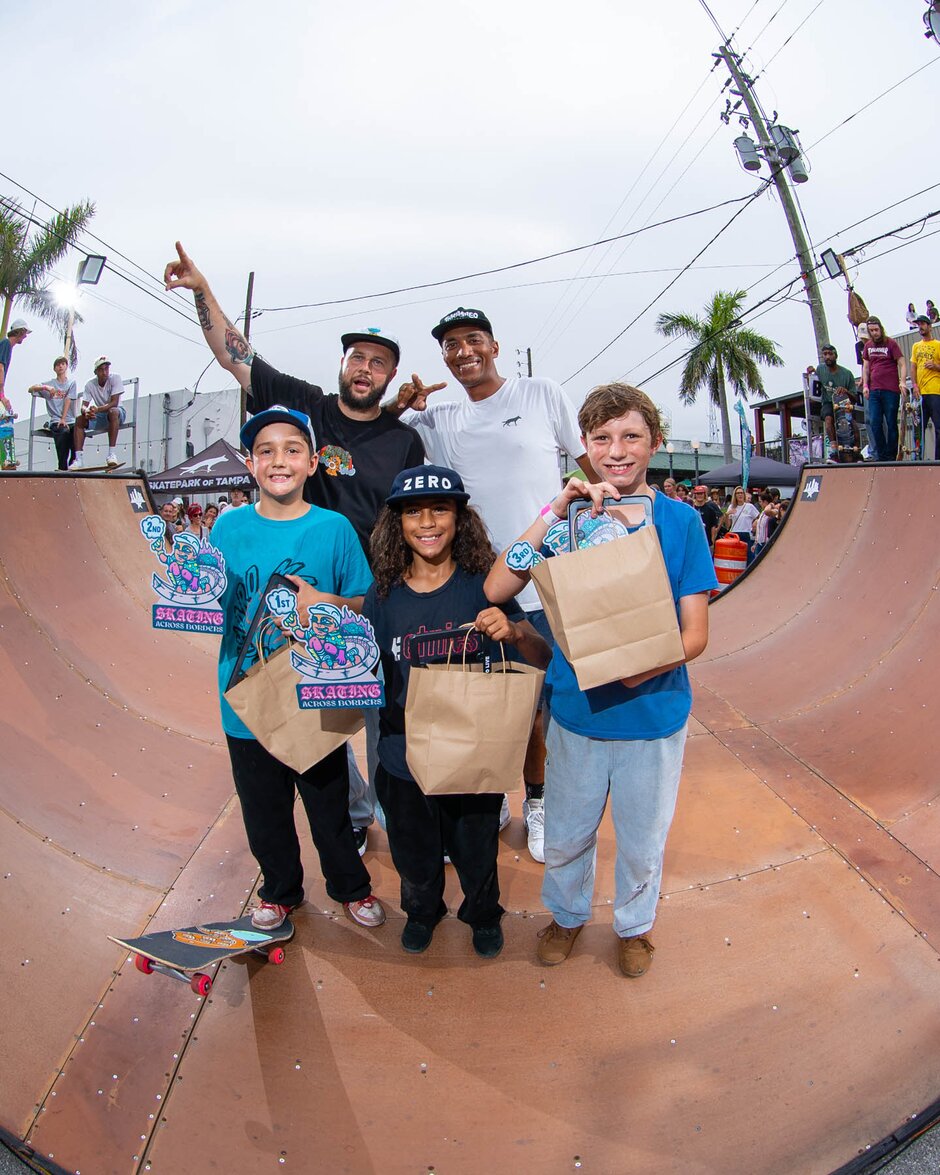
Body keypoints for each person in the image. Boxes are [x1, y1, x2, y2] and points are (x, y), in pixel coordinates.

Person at [164, 242, 425, 847]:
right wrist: (203, 290)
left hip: (369, 596)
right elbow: (238, 357)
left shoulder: (402, 440)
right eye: (357, 357)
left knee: (381, 713)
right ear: (342, 365)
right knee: (317, 717)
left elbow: (411, 519)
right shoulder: (307, 408)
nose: (365, 367)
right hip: (304, 600)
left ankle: (393, 811)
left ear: (389, 378)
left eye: (378, 362)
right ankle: (356, 815)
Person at [485, 382, 716, 977]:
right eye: (602, 438)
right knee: (566, 834)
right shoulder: (565, 527)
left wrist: (640, 667)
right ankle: (566, 917)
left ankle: (635, 928)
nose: (617, 449)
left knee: (642, 841)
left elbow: (694, 634)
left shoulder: (681, 522)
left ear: (654, 443)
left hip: (653, 716)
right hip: (577, 716)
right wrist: (551, 511)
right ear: (583, 446)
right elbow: (497, 589)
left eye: (631, 436)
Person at [390, 307, 595, 863]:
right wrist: (401, 406)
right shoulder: (442, 418)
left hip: (549, 582)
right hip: (481, 587)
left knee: (543, 709)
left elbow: (587, 470)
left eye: (473, 340)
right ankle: (492, 794)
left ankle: (538, 799)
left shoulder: (541, 394)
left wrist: (623, 520)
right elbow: (376, 433)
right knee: (486, 702)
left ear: (495, 345)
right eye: (451, 345)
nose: (463, 352)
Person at [362, 465, 550, 958]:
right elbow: (366, 671)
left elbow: (542, 656)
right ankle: (423, 911)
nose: (427, 522)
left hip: (473, 750)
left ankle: (483, 913)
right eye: (413, 512)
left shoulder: (484, 588)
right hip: (403, 754)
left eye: (440, 509)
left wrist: (516, 632)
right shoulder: (382, 597)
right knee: (413, 852)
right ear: (396, 524)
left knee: (476, 849)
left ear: (460, 518)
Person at [211, 404, 385, 932]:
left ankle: (350, 887)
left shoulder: (333, 528)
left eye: (292, 450)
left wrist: (324, 601)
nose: (278, 460)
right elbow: (208, 601)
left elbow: (364, 602)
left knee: (328, 804)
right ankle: (280, 890)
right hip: (245, 695)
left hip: (316, 689)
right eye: (266, 451)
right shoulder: (227, 527)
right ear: (250, 463)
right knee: (263, 810)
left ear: (313, 463)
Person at [862, 317, 907, 461]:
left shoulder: (891, 343)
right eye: (871, 331)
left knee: (891, 422)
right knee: (874, 421)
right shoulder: (868, 346)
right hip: (874, 390)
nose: (874, 333)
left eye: (876, 330)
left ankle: (890, 455)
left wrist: (903, 381)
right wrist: (865, 385)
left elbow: (902, 363)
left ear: (881, 329)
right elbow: (866, 367)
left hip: (891, 390)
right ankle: (880, 455)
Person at [71, 356, 126, 469]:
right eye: (101, 369)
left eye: (106, 369)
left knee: (112, 411)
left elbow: (114, 402)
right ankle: (79, 459)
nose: (105, 372)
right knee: (79, 420)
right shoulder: (90, 384)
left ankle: (112, 454)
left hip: (117, 413)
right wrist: (87, 412)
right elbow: (84, 406)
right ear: (96, 372)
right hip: (101, 415)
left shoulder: (115, 378)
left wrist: (97, 409)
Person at [29, 356, 77, 470]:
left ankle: (74, 460)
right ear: (54, 369)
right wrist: (46, 387)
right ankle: (62, 466)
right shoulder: (50, 383)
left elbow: (68, 400)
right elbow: (30, 389)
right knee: (63, 431)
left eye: (63, 364)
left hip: (69, 419)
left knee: (78, 431)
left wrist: (64, 418)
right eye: (57, 365)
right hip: (55, 420)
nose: (60, 366)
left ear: (66, 366)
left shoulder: (71, 383)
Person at [815, 345, 856, 458]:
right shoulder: (820, 369)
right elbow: (814, 380)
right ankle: (834, 451)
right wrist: (811, 372)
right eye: (825, 354)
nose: (827, 357)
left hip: (844, 404)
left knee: (852, 423)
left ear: (835, 355)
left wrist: (845, 391)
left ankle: (855, 451)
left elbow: (855, 398)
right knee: (828, 420)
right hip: (828, 402)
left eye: (830, 354)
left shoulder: (847, 374)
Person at [911, 314, 940, 460]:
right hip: (920, 393)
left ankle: (938, 459)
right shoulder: (916, 346)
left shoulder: (938, 345)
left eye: (923, 324)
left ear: (929, 326)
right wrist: (915, 386)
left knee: (938, 426)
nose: (921, 327)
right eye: (918, 324)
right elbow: (913, 367)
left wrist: (936, 366)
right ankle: (917, 457)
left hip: (935, 391)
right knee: (918, 428)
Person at [720, 486, 759, 562]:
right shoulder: (731, 507)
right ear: (735, 495)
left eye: (741, 493)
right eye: (738, 493)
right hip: (735, 534)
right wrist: (727, 514)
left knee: (748, 557)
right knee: (735, 559)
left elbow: (758, 517)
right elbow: (728, 525)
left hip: (746, 533)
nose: (740, 495)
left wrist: (755, 523)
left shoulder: (749, 506)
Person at [0, 318, 31, 415]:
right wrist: (2, 395)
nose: (25, 336)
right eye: (25, 333)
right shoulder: (6, 344)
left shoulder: (7, 346)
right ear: (20, 332)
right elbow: (0, 368)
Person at [752, 491, 779, 556]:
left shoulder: (774, 510)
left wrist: (770, 504)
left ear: (765, 502)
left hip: (766, 542)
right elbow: (759, 530)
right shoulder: (762, 513)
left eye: (760, 501)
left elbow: (767, 511)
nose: (759, 503)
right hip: (759, 543)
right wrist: (755, 543)